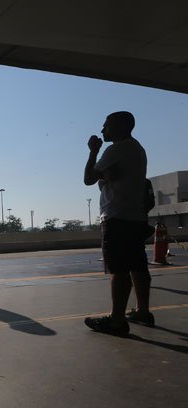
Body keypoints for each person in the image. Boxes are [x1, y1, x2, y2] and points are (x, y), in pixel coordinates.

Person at [83, 111, 154, 336]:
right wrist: (105, 178)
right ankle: (143, 311)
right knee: (138, 266)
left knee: (119, 271)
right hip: (135, 217)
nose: (103, 130)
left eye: (107, 126)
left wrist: (93, 152)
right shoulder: (136, 149)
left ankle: (117, 321)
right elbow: (108, 181)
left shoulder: (115, 149)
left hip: (116, 218)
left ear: (122, 127)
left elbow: (88, 179)